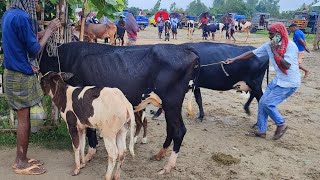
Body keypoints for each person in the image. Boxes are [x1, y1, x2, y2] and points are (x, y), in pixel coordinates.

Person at [2, 0, 61, 175]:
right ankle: (20, 162)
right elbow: (35, 50)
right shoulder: (22, 17)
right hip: (20, 76)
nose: (36, 2)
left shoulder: (10, 14)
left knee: (24, 117)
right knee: (23, 119)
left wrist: (44, 32)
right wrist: (49, 30)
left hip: (12, 72)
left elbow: (23, 39)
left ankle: (23, 157)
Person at [225, 22, 301, 140]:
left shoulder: (290, 46)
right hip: (278, 80)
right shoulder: (269, 45)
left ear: (279, 34)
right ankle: (261, 131)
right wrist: (234, 59)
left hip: (289, 82)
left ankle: (281, 124)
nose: (269, 36)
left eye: (271, 34)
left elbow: (286, 65)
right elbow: (251, 53)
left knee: (268, 104)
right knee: (262, 102)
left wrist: (275, 51)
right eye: (269, 34)